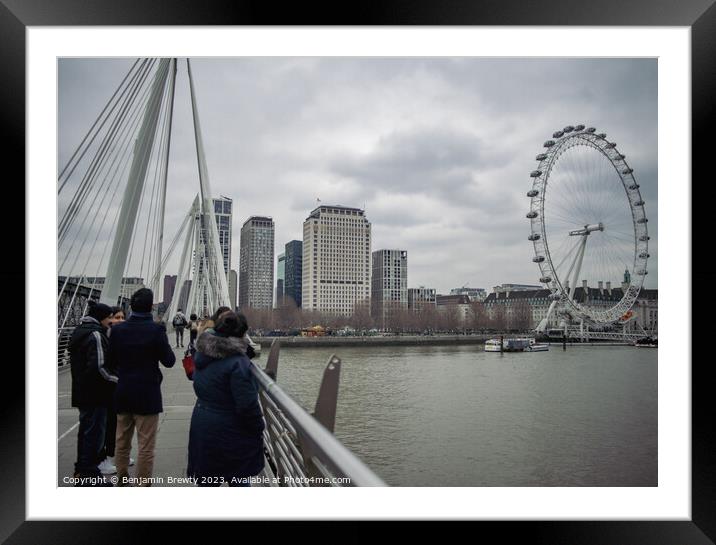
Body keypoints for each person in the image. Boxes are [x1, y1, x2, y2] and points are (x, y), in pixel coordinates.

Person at [187, 312, 265, 486]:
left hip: (202, 421)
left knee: (207, 481)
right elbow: (247, 405)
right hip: (230, 429)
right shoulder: (238, 363)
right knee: (239, 479)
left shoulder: (202, 353)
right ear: (242, 333)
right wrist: (259, 427)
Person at [108, 288, 176, 486]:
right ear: (151, 306)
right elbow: (169, 361)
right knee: (146, 444)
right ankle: (142, 484)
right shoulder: (156, 330)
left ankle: (121, 478)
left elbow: (111, 361)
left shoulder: (118, 330)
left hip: (123, 392)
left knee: (121, 441)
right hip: (147, 393)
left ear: (131, 306)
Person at [69, 300, 116, 485]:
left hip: (82, 392)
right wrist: (117, 381)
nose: (111, 321)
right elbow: (100, 367)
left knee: (85, 432)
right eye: (109, 317)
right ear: (101, 318)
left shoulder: (79, 331)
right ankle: (90, 476)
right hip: (96, 394)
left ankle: (82, 470)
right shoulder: (95, 334)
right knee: (95, 434)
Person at [97, 307, 134, 475]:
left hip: (121, 385)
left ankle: (120, 456)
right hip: (110, 386)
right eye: (116, 317)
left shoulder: (119, 336)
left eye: (122, 317)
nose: (119, 320)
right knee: (110, 423)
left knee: (122, 423)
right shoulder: (105, 336)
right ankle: (105, 458)